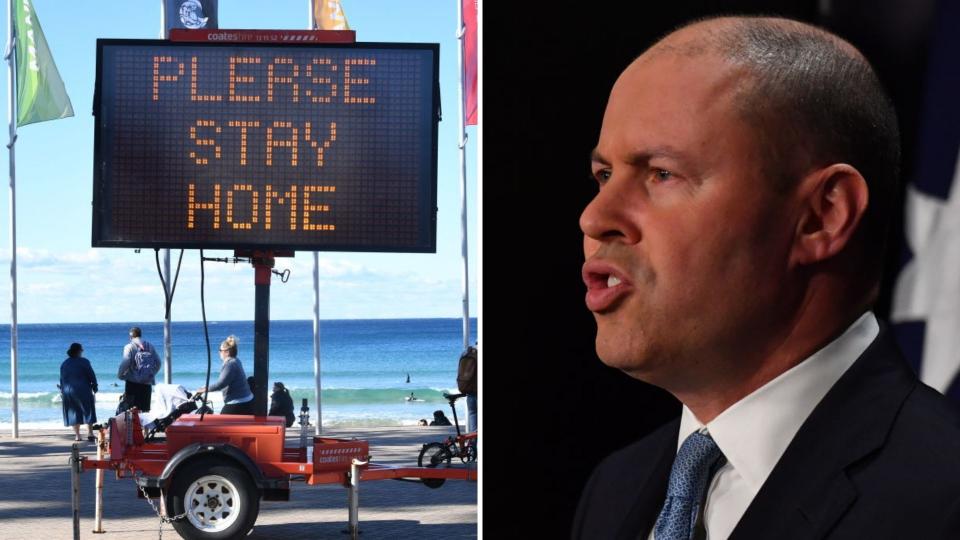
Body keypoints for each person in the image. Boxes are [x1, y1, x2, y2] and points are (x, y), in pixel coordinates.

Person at [572, 16, 960, 539]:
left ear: (822, 216)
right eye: (604, 175)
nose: (595, 218)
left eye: (661, 173)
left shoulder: (942, 495)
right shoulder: (615, 488)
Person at [195, 335, 254, 415]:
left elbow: (220, 384)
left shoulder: (230, 364)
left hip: (238, 402)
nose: (219, 352)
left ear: (227, 352)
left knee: (220, 424)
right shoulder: (236, 360)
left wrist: (204, 389)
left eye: (220, 350)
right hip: (246, 400)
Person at [59, 343, 98, 442]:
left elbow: (62, 379)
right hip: (83, 389)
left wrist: (62, 391)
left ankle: (78, 436)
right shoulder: (84, 362)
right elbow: (91, 374)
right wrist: (95, 386)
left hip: (68, 391)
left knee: (73, 412)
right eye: (81, 350)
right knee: (88, 410)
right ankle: (90, 434)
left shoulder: (64, 364)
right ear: (79, 351)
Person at [117, 326, 158, 413]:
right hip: (147, 384)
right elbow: (158, 363)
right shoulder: (149, 346)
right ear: (140, 335)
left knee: (132, 411)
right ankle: (144, 427)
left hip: (133, 383)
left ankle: (134, 427)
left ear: (131, 336)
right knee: (145, 411)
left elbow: (126, 361)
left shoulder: (130, 346)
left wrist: (120, 375)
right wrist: (151, 374)